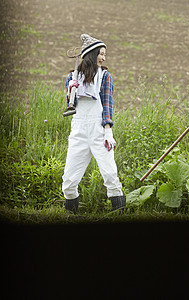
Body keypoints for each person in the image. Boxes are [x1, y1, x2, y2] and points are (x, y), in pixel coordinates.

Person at [62, 34, 125, 213]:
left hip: (99, 130)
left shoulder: (105, 76)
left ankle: (118, 214)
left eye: (105, 54)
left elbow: (107, 104)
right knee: (69, 181)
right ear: (91, 54)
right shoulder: (72, 76)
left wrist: (108, 131)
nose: (104, 58)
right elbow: (70, 106)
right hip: (78, 131)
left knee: (110, 175)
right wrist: (70, 90)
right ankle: (71, 215)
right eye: (101, 53)